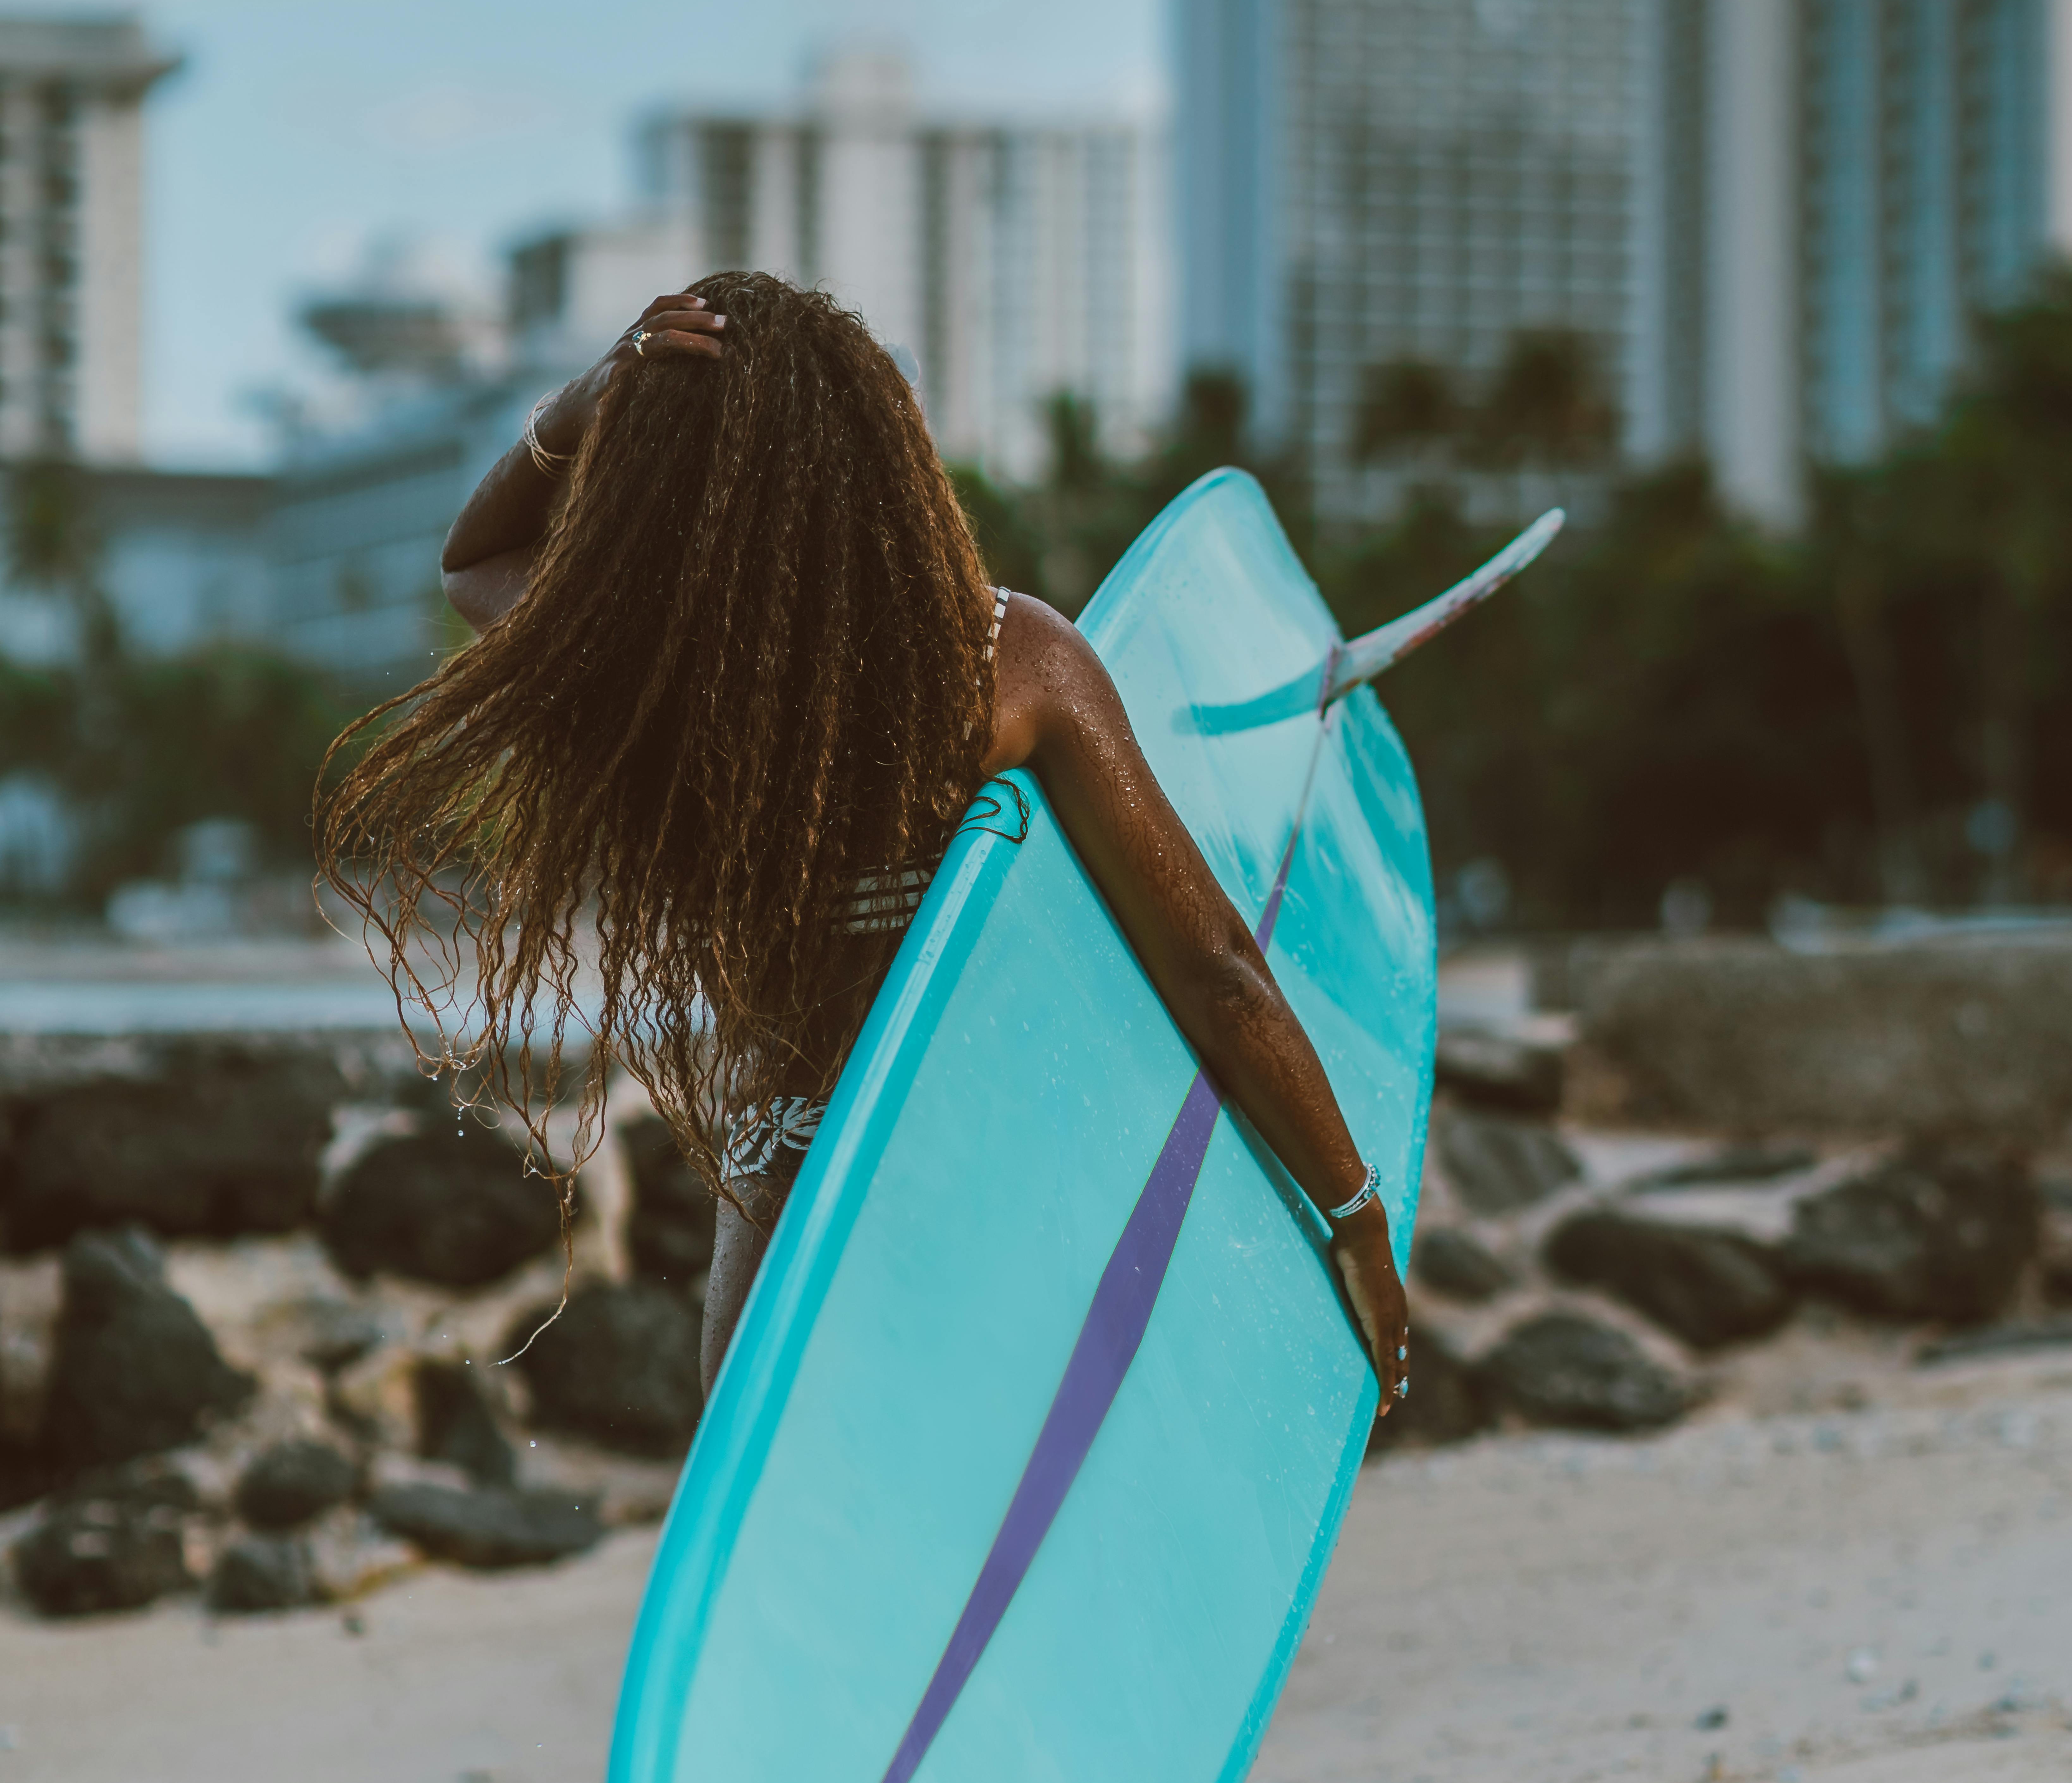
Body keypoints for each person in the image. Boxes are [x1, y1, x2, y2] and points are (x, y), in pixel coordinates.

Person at [319, 273, 1408, 1406]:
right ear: (883, 459)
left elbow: (471, 564)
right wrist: (1353, 1212)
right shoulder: (1009, 662)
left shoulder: (650, 667)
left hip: (788, 1183)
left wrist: (583, 405)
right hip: (991, 1151)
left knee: (780, 1523)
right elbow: (1216, 971)